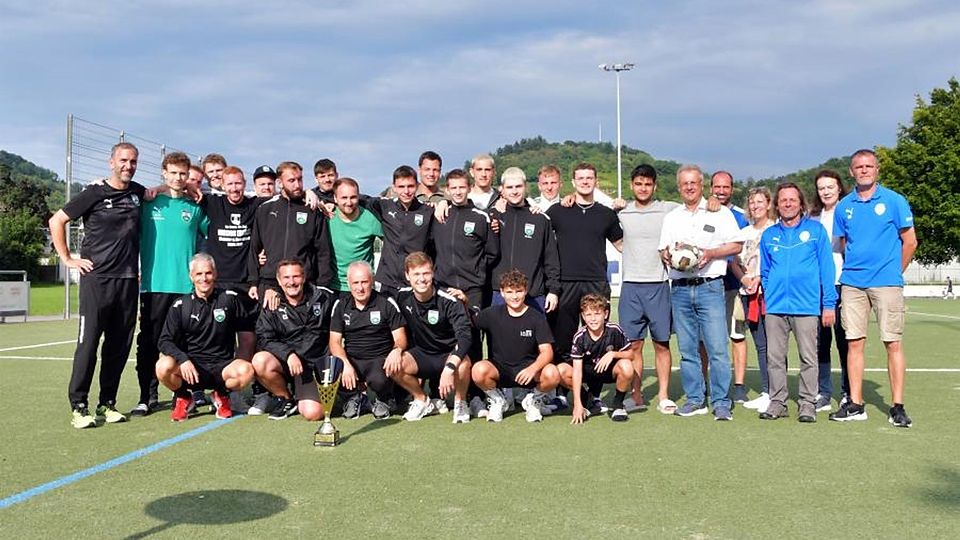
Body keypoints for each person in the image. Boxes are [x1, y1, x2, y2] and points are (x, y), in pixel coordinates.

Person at [49, 142, 146, 428]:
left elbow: (159, 190)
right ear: (111, 161)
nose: (128, 165)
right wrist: (67, 258)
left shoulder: (138, 193)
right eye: (123, 160)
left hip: (128, 281)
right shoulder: (94, 192)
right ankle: (79, 406)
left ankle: (107, 404)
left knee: (118, 345)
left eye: (133, 161)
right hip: (97, 280)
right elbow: (57, 220)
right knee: (88, 343)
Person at [829, 149, 917, 427]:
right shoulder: (844, 206)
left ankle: (898, 406)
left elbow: (910, 242)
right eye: (859, 166)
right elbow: (844, 245)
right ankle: (856, 404)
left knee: (892, 342)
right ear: (852, 172)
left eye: (869, 166)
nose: (864, 170)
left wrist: (893, 272)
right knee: (854, 343)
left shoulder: (894, 201)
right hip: (853, 284)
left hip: (887, 283)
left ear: (877, 170)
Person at [659, 164, 743, 421]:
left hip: (710, 287)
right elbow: (663, 250)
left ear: (702, 185)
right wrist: (670, 256)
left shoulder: (719, 213)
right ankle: (695, 399)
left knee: (717, 347)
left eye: (693, 182)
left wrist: (710, 253)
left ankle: (721, 402)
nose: (689, 187)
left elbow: (736, 245)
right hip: (681, 289)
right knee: (687, 349)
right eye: (684, 183)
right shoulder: (673, 216)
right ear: (679, 186)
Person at [132, 152, 209, 417]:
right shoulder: (149, 202)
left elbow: (218, 234)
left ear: (189, 176)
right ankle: (147, 395)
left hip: (187, 288)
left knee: (187, 343)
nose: (178, 178)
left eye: (183, 174)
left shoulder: (195, 207)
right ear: (164, 173)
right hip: (154, 286)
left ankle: (185, 393)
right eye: (173, 173)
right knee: (150, 342)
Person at [758, 183, 837, 422]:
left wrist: (828, 304)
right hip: (776, 308)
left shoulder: (816, 231)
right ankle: (778, 402)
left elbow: (827, 268)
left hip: (807, 306)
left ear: (801, 203)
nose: (788, 204)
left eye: (792, 200)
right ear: (777, 205)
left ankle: (807, 403)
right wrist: (771, 292)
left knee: (808, 358)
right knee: (774, 357)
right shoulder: (769, 235)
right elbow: (766, 271)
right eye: (783, 200)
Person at [156, 253, 256, 421]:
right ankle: (184, 397)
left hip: (221, 368)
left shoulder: (229, 299)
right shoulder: (180, 305)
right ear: (191, 276)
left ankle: (221, 395)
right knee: (163, 366)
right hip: (191, 370)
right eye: (199, 274)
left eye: (208, 273)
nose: (204, 278)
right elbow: (164, 341)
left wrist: (241, 358)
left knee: (246, 371)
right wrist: (183, 359)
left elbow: (248, 332)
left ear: (215, 274)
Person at [546, 162, 623, 366]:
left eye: (589, 178)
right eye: (581, 178)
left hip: (596, 283)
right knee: (563, 340)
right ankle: (562, 394)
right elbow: (539, 238)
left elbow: (622, 245)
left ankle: (594, 394)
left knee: (597, 340)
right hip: (565, 284)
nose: (585, 182)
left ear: (595, 181)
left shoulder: (606, 214)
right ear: (573, 182)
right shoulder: (557, 211)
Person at [616, 164, 678, 414]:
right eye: (639, 183)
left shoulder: (668, 209)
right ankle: (637, 395)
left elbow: (697, 205)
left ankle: (663, 395)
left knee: (662, 344)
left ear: (655, 186)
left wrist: (713, 203)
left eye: (648, 184)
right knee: (633, 347)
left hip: (659, 285)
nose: (643, 188)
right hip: (631, 287)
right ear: (632, 185)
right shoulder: (622, 212)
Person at [251, 258, 337, 421]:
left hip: (314, 365)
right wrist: (288, 354)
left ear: (304, 277)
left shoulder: (323, 298)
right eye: (286, 278)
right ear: (278, 280)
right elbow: (265, 338)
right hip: (287, 363)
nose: (292, 282)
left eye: (296, 276)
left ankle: (314, 394)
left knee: (313, 414)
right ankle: (286, 398)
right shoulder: (272, 303)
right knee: (260, 361)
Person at [393, 252, 474, 423]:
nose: (421, 279)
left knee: (463, 363)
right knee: (393, 365)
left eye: (426, 273)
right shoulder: (401, 296)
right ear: (407, 276)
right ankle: (422, 400)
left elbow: (465, 337)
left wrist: (450, 367)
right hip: (421, 354)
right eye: (416, 274)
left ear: (433, 273)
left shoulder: (449, 299)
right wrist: (396, 350)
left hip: (447, 354)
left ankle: (461, 403)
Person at [472, 269, 561, 422]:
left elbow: (547, 352)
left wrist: (532, 369)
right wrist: (464, 302)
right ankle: (498, 401)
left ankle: (534, 401)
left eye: (519, 291)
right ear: (501, 292)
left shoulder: (536, 317)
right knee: (478, 370)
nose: (514, 296)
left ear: (525, 290)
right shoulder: (491, 314)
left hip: (528, 370)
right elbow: (468, 322)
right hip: (500, 369)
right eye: (510, 291)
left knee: (552, 373)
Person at [328, 261, 407, 419]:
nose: (360, 287)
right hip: (353, 359)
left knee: (381, 378)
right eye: (355, 283)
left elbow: (401, 338)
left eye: (364, 282)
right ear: (349, 284)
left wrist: (396, 350)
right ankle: (353, 398)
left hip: (379, 358)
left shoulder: (386, 303)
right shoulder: (340, 305)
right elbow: (334, 342)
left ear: (372, 281)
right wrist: (344, 363)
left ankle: (384, 399)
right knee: (331, 370)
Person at [248, 161, 333, 296]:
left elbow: (323, 251)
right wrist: (253, 282)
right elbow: (254, 248)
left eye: (300, 179)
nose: (297, 185)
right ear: (280, 183)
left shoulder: (312, 209)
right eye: (291, 180)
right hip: (270, 283)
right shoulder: (264, 209)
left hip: (303, 283)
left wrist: (323, 285)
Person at [487, 167, 561, 313]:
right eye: (509, 187)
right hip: (500, 294)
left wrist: (553, 290)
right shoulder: (491, 217)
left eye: (518, 186)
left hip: (533, 295)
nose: (514, 191)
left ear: (525, 187)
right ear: (502, 190)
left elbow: (551, 258)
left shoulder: (540, 219)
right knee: (499, 336)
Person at [431, 169, 499, 311]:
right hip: (443, 286)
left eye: (462, 187)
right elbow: (431, 247)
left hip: (472, 288)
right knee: (445, 332)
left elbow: (492, 252)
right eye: (454, 188)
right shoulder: (439, 216)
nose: (458, 192)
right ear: (447, 190)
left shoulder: (481, 217)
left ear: (469, 188)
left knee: (471, 330)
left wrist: (476, 269)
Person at [361, 165, 435, 296]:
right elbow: (353, 196)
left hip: (415, 282)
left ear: (417, 185)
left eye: (410, 186)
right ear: (394, 187)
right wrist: (324, 200)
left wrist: (444, 203)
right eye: (401, 187)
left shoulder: (428, 211)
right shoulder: (384, 206)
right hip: (387, 281)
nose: (406, 191)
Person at [560, 294, 635, 423]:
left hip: (608, 371)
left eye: (597, 314)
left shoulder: (614, 330)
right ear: (583, 316)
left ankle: (617, 405)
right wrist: (577, 405)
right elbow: (577, 371)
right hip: (587, 373)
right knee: (561, 370)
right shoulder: (580, 337)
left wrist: (613, 354)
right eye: (588, 315)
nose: (593, 319)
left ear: (605, 314)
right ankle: (587, 400)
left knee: (627, 366)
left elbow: (631, 354)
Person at [731, 187, 774, 412]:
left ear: (768, 204)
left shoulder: (775, 229)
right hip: (748, 294)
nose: (755, 206)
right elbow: (734, 262)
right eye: (752, 202)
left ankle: (775, 392)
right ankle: (768, 391)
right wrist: (745, 279)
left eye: (760, 201)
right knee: (760, 344)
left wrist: (759, 278)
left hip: (769, 294)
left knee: (773, 345)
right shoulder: (743, 232)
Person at [809, 169, 849, 410]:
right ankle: (824, 391)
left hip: (843, 283)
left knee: (844, 340)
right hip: (818, 286)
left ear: (839, 188)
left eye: (829, 187)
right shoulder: (812, 217)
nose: (825, 191)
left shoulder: (849, 212)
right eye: (821, 188)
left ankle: (848, 391)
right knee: (820, 342)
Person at [709, 171, 750, 404]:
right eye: (717, 187)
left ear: (732, 189)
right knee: (705, 339)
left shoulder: (741, 216)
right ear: (710, 187)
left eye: (726, 187)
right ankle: (707, 383)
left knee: (736, 335)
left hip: (733, 286)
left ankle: (739, 385)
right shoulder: (702, 210)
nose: (721, 191)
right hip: (706, 286)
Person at [328, 177, 383, 293]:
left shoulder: (370, 219)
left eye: (353, 197)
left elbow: (392, 242)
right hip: (335, 286)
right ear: (335, 198)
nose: (349, 202)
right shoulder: (327, 217)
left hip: (363, 286)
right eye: (344, 198)